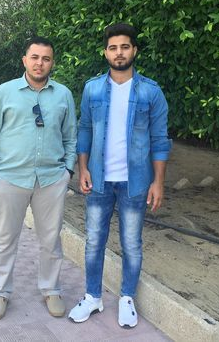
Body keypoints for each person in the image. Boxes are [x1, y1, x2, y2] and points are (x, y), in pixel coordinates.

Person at [68, 23, 171, 328]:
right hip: (99, 180)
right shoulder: (93, 89)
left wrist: (158, 182)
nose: (119, 53)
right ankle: (93, 297)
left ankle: (127, 298)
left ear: (134, 50)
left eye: (125, 47)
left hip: (135, 183)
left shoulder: (151, 91)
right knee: (93, 241)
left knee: (132, 244)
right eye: (113, 48)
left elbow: (160, 140)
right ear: (105, 53)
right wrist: (83, 168)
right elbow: (85, 129)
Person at [0, 36, 77, 321]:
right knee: (5, 239)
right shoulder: (3, 93)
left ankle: (51, 289)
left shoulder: (63, 95)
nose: (39, 63)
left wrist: (67, 171)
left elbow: (70, 137)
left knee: (51, 240)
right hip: (11, 179)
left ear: (52, 63)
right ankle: (0, 292)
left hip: (51, 180)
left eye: (46, 58)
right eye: (35, 57)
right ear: (25, 60)